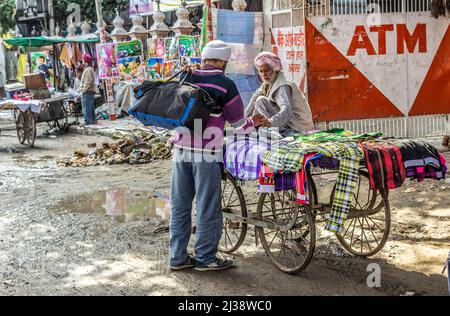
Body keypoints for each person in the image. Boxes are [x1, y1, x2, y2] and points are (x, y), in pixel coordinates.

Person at [169, 40, 264, 272]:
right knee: (207, 206)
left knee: (180, 205)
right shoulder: (225, 84)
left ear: (204, 57)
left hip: (180, 150)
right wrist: (255, 121)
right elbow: (239, 125)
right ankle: (205, 258)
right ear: (223, 61)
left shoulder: (186, 76)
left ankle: (177, 257)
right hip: (207, 153)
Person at [245, 52, 314, 134]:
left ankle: (277, 133)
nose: (264, 74)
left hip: (297, 127)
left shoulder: (282, 85)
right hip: (288, 124)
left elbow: (287, 111)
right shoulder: (268, 83)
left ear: (274, 69)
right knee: (258, 100)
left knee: (260, 101)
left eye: (266, 71)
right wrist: (241, 122)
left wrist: (270, 122)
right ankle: (249, 129)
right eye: (261, 71)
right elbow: (253, 100)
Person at [77, 53, 97, 126]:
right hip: (90, 90)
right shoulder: (89, 69)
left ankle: (87, 121)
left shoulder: (88, 70)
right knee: (90, 106)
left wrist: (83, 91)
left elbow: (87, 82)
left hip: (88, 91)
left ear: (85, 61)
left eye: (83, 60)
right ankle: (93, 120)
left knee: (86, 107)